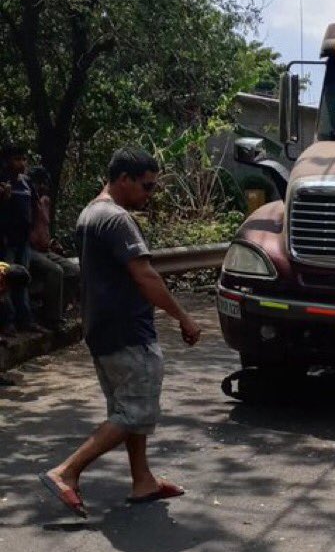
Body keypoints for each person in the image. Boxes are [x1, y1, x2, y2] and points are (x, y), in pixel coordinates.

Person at [39, 148, 202, 518]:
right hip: (127, 331)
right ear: (124, 179)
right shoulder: (116, 219)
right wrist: (183, 317)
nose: (150, 194)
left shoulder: (89, 213)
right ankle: (66, 472)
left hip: (102, 328)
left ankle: (143, 479)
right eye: (147, 186)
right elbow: (145, 275)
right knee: (134, 411)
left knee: (127, 407)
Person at [27, 166, 80, 329]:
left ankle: (57, 311)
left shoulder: (45, 202)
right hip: (28, 249)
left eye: (43, 184)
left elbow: (44, 228)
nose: (41, 187)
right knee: (55, 271)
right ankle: (51, 318)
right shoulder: (25, 200)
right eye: (38, 183)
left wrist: (51, 242)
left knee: (73, 270)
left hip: (44, 250)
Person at [0, 144, 42, 335]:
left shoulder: (26, 183)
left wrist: (35, 230)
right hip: (6, 240)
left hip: (23, 240)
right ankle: (8, 322)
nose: (22, 163)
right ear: (7, 161)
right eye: (17, 159)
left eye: (24, 159)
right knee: (5, 282)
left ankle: (25, 320)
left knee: (23, 279)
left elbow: (34, 207)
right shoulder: (3, 182)